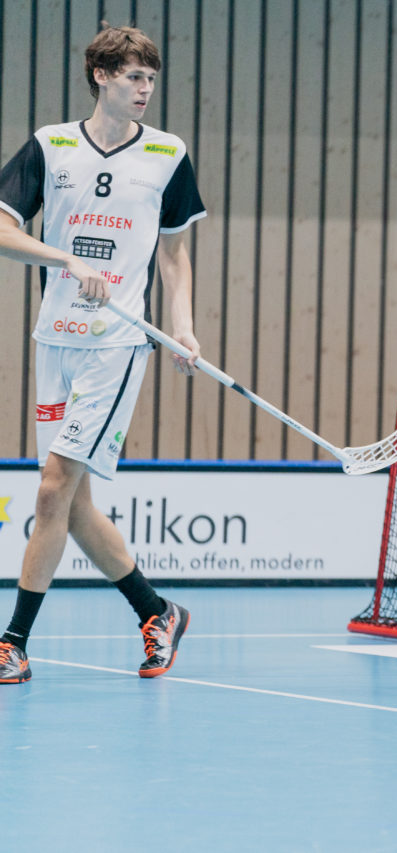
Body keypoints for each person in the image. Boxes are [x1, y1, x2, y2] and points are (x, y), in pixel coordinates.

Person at [0, 23, 206, 685]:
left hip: (116, 344)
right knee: (75, 505)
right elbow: (2, 229)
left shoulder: (168, 154)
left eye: (150, 79)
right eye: (133, 76)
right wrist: (63, 258)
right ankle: (157, 612)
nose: (145, 89)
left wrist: (182, 328)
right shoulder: (51, 145)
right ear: (101, 76)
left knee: (52, 489)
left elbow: (174, 255)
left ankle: (12, 642)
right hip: (54, 338)